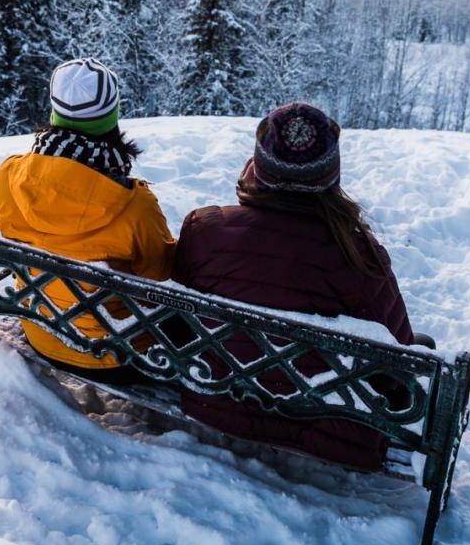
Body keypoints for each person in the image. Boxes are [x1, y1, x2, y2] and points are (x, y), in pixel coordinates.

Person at [174, 102, 428, 470]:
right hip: (321, 424)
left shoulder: (205, 229)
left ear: (257, 166)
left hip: (215, 400)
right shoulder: (357, 255)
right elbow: (397, 366)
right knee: (422, 346)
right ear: (330, 173)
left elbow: (181, 316)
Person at [0, 57, 176, 383]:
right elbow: (161, 280)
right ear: (113, 117)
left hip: (42, 332)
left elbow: (10, 232)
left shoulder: (9, 176)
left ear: (54, 111)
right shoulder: (136, 205)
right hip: (115, 354)